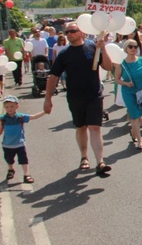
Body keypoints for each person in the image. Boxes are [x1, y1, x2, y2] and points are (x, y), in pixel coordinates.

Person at [44, 22, 114, 175]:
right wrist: (47, 98)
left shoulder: (93, 47)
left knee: (95, 127)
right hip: (75, 97)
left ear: (81, 32)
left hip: (94, 95)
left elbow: (108, 67)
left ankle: (100, 162)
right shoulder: (64, 54)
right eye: (67, 32)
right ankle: (84, 157)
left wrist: (103, 48)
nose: (69, 34)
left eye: (72, 31)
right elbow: (54, 76)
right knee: (81, 127)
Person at [0, 95, 46, 184]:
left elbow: (33, 116)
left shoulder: (20, 117)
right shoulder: (3, 119)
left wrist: (45, 112)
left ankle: (27, 175)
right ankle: (11, 170)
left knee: (24, 160)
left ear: (17, 106)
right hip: (7, 145)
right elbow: (0, 130)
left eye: (12, 106)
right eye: (7, 107)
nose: (9, 108)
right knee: (9, 159)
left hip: (20, 144)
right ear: (4, 107)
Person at [115, 39, 142, 151]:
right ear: (126, 49)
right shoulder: (122, 64)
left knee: (140, 112)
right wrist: (126, 83)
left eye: (135, 47)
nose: (133, 49)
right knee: (134, 116)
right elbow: (116, 79)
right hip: (128, 92)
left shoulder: (141, 60)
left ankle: (134, 132)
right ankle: (140, 140)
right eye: (130, 46)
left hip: (140, 91)